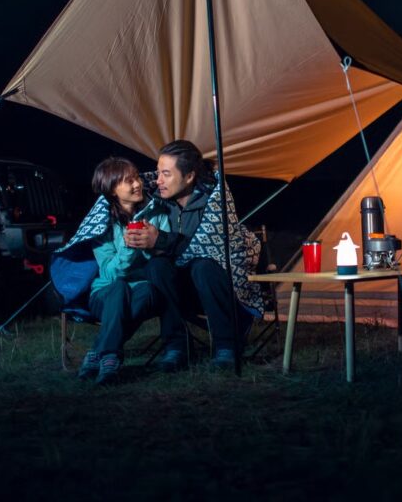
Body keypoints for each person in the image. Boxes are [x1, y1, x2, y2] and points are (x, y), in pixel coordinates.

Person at [125, 140, 254, 371]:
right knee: (157, 266)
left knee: (203, 265)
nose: (158, 181)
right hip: (180, 290)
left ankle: (227, 345)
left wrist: (161, 240)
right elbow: (116, 189)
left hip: (221, 286)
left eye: (166, 174)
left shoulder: (215, 201)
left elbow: (208, 247)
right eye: (157, 173)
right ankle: (176, 346)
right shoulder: (160, 202)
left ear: (189, 176)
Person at [52, 157, 170, 385]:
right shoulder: (101, 223)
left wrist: (152, 241)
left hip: (142, 289)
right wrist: (128, 247)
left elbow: (163, 257)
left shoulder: (156, 213)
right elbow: (110, 274)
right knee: (118, 287)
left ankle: (99, 352)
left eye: (136, 177)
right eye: (128, 181)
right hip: (105, 293)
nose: (137, 184)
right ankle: (111, 358)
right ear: (112, 190)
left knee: (146, 291)